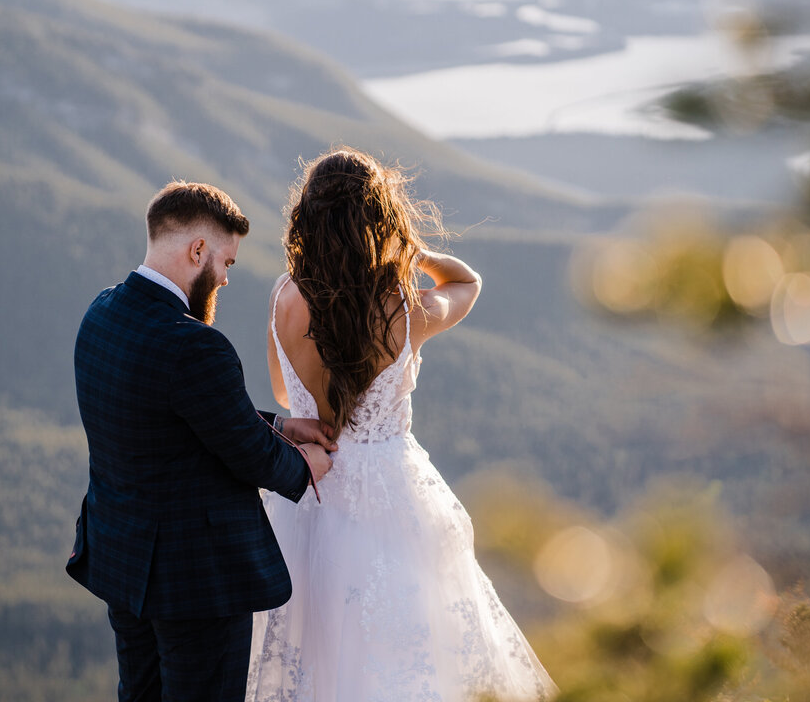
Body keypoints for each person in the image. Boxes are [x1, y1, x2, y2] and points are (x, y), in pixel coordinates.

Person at [246, 148, 557, 702]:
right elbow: (467, 282)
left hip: (309, 491)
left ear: (308, 218)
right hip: (394, 496)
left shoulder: (282, 297)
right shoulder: (405, 307)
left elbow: (279, 394)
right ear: (381, 219)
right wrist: (409, 247)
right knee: (410, 650)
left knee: (310, 647)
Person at [66, 181, 337, 702]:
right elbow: (248, 453)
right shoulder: (195, 344)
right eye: (227, 264)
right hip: (195, 583)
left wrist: (280, 425)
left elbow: (177, 407)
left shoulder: (101, 313)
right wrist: (306, 468)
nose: (227, 279)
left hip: (123, 563)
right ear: (197, 251)